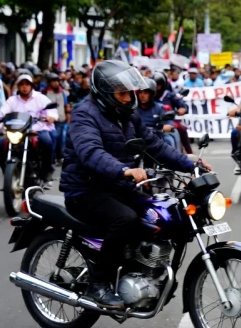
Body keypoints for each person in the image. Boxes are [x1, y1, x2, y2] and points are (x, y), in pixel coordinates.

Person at [60, 60, 208, 309]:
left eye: (131, 92)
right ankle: (98, 285)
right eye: (122, 93)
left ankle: (139, 270)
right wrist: (124, 170)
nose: (129, 98)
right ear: (104, 93)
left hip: (117, 187)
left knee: (161, 215)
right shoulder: (84, 114)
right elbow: (90, 152)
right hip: (85, 190)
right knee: (125, 219)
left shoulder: (128, 116)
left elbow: (155, 145)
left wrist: (191, 166)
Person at [0, 74, 57, 182]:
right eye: (21, 84)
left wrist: (50, 117)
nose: (24, 87)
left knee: (47, 142)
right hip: (17, 131)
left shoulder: (40, 98)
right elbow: (3, 111)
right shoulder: (12, 100)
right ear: (18, 86)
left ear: (31, 86)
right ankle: (8, 172)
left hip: (38, 129)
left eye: (27, 84)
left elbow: (52, 111)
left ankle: (46, 172)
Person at [152, 72, 192, 154]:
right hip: (152, 122)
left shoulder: (169, 95)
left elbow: (182, 106)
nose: (157, 88)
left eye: (158, 85)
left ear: (163, 85)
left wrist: (181, 110)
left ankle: (188, 152)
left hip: (169, 121)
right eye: (155, 85)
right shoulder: (149, 96)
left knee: (181, 129)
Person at [137, 77, 177, 148]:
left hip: (156, 138)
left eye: (145, 92)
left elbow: (169, 123)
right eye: (140, 92)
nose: (142, 95)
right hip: (137, 138)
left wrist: (167, 126)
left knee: (169, 140)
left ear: (151, 94)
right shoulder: (133, 109)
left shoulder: (159, 108)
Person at [43, 73, 69, 163]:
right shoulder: (44, 92)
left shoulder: (62, 93)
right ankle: (51, 157)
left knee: (60, 139)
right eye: (54, 81)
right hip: (48, 120)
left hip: (60, 119)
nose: (56, 83)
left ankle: (59, 156)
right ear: (49, 82)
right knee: (52, 138)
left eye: (57, 81)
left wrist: (68, 117)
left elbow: (66, 105)